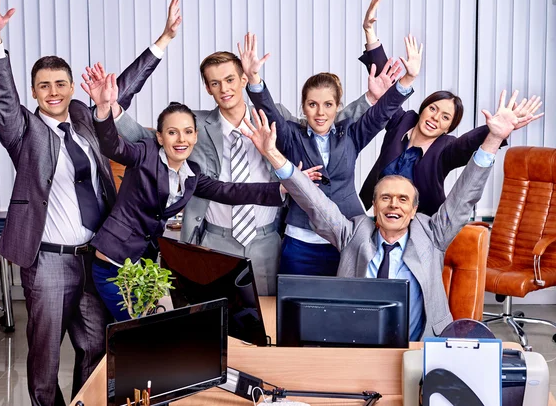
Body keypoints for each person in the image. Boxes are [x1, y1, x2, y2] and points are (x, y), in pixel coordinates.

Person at [0, 0, 179, 406]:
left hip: (96, 259)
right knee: (45, 359)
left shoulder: (84, 116)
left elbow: (122, 89)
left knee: (96, 347)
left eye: (61, 83)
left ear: (70, 87)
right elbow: (3, 99)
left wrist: (164, 40)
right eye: (43, 85)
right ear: (34, 93)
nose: (53, 91)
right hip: (48, 261)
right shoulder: (23, 131)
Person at [101, 18, 386, 295]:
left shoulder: (276, 118)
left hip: (266, 241)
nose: (224, 89)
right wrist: (113, 110)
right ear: (207, 87)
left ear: (242, 79)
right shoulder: (193, 126)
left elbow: (324, 124)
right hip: (214, 240)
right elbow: (143, 137)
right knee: (218, 325)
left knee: (271, 326)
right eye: (214, 83)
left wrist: (370, 100)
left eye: (229, 80)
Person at [244, 89, 534, 340]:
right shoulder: (353, 232)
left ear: (414, 209)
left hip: (420, 347)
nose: (394, 205)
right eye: (386, 198)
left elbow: (464, 195)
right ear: (374, 205)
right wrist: (273, 154)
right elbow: (314, 201)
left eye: (403, 199)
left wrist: (494, 138)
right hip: (357, 343)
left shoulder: (433, 234)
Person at [81, 71, 286, 320]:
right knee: (135, 334)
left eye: (188, 132)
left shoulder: (191, 175)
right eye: (172, 132)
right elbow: (113, 146)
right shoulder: (144, 154)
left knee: (142, 333)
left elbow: (228, 191)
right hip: (113, 263)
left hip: (141, 264)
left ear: (195, 137)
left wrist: (284, 187)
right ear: (159, 136)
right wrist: (104, 109)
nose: (181, 139)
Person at [239, 32, 420, 276]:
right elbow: (269, 112)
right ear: (303, 107)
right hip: (300, 243)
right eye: (312, 104)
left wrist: (407, 79)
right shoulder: (292, 135)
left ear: (337, 107)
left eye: (328, 105)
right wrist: (254, 79)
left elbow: (381, 113)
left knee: (342, 309)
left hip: (346, 239)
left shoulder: (351, 135)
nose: (320, 112)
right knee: (295, 310)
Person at [357, 0, 544, 215]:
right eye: (433, 109)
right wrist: (369, 31)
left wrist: (496, 131)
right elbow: (387, 86)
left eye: (445, 117)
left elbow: (468, 144)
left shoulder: (446, 148)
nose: (435, 118)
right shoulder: (402, 120)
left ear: (448, 128)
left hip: (422, 224)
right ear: (423, 109)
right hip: (377, 213)